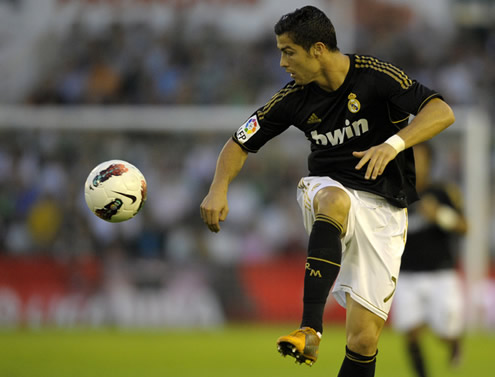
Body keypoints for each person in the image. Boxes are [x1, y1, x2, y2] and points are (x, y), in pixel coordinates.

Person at [200, 6, 455, 376]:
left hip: (385, 208)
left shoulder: (373, 75)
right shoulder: (293, 97)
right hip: (328, 188)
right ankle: (310, 329)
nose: (283, 62)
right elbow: (239, 142)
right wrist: (217, 188)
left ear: (317, 49)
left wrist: (393, 145)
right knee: (334, 201)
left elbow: (441, 111)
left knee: (364, 341)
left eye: (288, 51)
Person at [392, 142, 468, 377]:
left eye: (420, 159)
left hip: (441, 275)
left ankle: (454, 342)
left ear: (430, 163)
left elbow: (465, 227)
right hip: (405, 275)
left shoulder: (443, 193)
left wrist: (440, 215)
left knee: (444, 331)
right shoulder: (395, 194)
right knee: (410, 331)